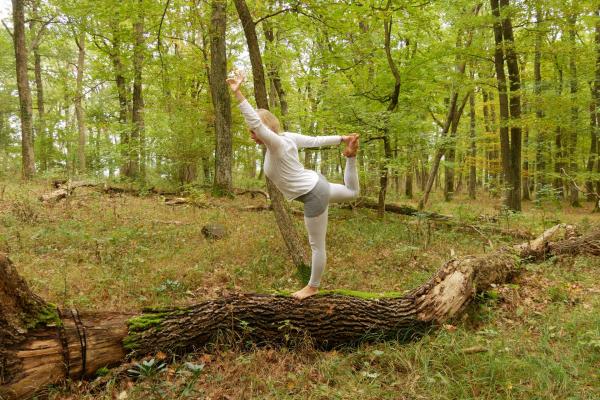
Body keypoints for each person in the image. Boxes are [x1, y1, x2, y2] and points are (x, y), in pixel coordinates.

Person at [226, 71, 360, 300]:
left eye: (253, 132)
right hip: (318, 183)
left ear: (265, 128)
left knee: (317, 245)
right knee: (353, 192)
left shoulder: (277, 143)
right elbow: (314, 141)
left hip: (312, 194)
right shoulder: (287, 137)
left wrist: (238, 94)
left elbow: (257, 124)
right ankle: (351, 157)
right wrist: (342, 139)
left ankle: (312, 287)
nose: (252, 136)